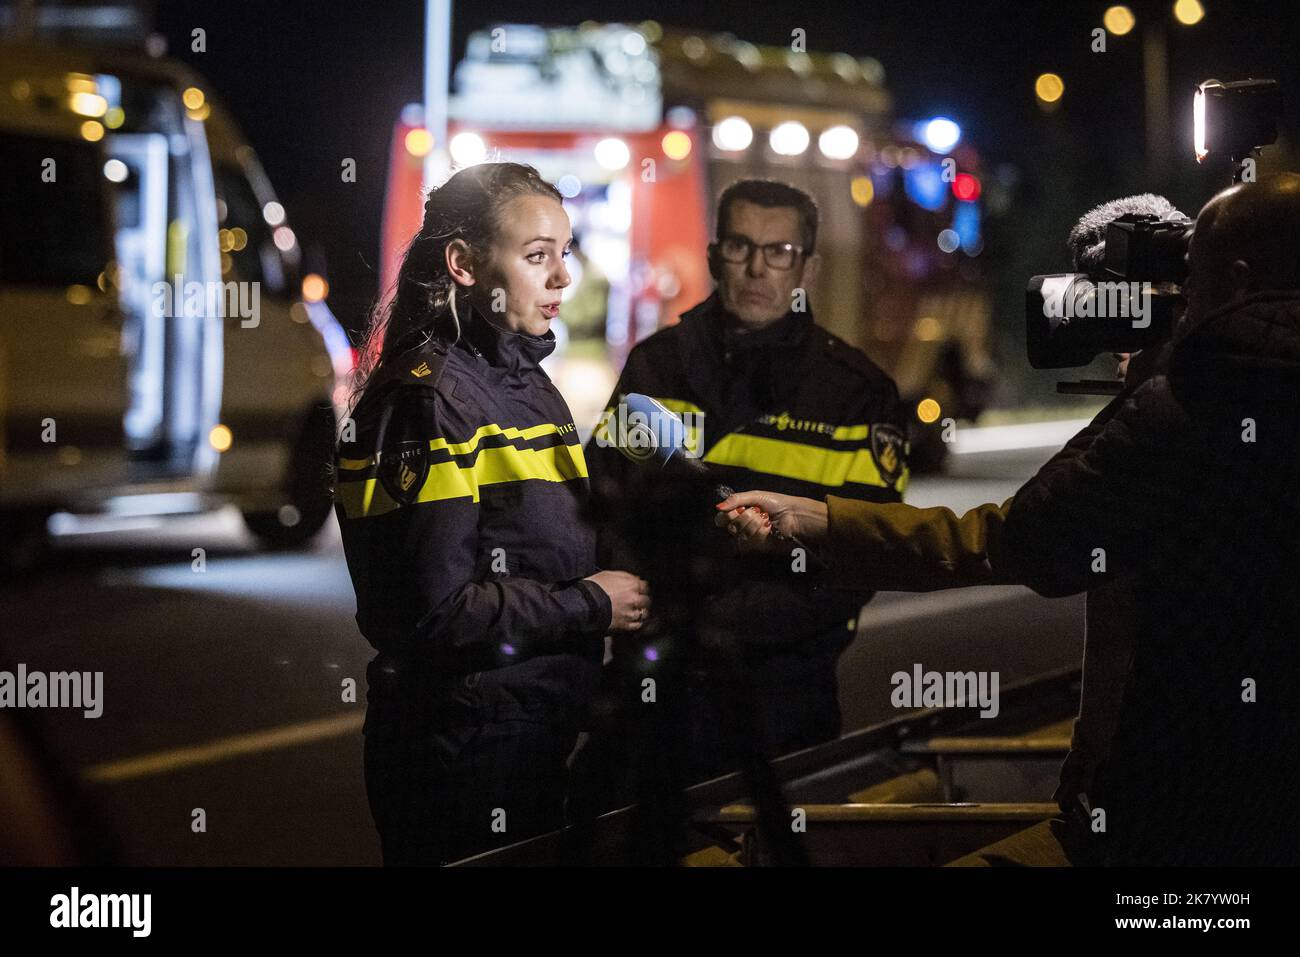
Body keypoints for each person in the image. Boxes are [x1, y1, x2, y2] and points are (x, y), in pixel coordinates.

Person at [715, 173, 1300, 866]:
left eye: (1191, 283)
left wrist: (824, 521)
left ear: (1234, 280)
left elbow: (1026, 539)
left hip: (1175, 813)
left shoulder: (1189, 409)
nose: (1174, 305)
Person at [333, 162, 650, 866]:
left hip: (528, 737)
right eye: (538, 256)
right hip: (463, 753)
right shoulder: (431, 401)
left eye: (565, 252)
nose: (563, 277)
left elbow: (548, 543)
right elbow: (434, 613)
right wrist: (589, 605)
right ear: (464, 264)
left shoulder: (526, 382)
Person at [583, 179, 909, 785]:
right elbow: (606, 507)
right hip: (656, 686)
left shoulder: (855, 392)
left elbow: (866, 550)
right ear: (714, 256)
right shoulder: (658, 366)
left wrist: (730, 617)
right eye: (739, 247)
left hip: (785, 694)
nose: (757, 268)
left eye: (779, 251)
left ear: (807, 266)